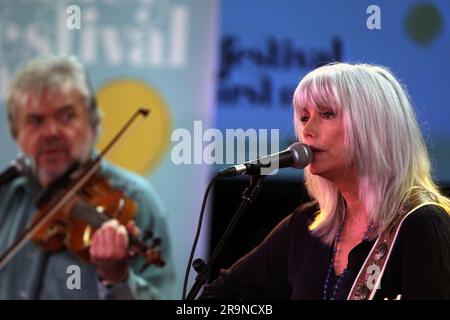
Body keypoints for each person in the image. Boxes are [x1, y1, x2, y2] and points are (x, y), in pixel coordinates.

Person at [200, 63, 450, 300]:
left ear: (374, 127)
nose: (307, 129)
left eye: (327, 114)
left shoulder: (421, 224)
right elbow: (219, 296)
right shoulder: (306, 226)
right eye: (304, 117)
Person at [0, 54, 175, 299]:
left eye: (66, 116)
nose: (51, 132)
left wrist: (117, 279)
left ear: (93, 123)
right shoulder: (7, 195)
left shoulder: (134, 199)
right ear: (16, 133)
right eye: (35, 120)